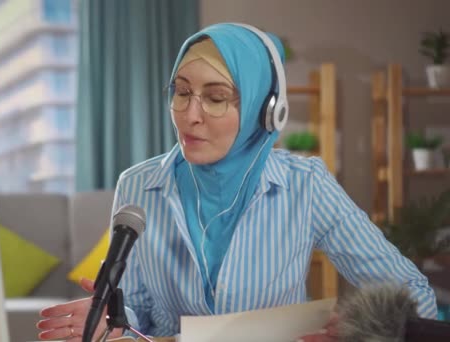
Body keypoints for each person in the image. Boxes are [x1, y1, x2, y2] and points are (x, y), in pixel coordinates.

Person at [37, 22, 437, 341]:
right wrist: (116, 321)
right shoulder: (137, 185)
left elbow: (413, 296)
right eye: (181, 92)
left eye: (215, 97)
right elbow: (141, 311)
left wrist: (359, 334)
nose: (189, 115)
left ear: (267, 111)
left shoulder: (306, 185)